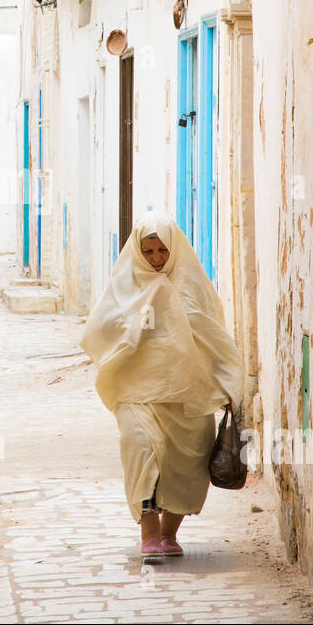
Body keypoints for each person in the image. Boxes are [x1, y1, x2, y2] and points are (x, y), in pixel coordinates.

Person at [79, 211, 242, 557]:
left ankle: (169, 535)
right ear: (138, 252)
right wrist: (131, 335)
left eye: (163, 251)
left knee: (188, 464)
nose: (156, 259)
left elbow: (215, 338)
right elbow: (99, 330)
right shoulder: (125, 286)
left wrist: (228, 384)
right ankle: (148, 535)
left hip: (189, 395)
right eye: (149, 252)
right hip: (136, 393)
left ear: (174, 250)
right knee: (141, 451)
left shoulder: (192, 286)